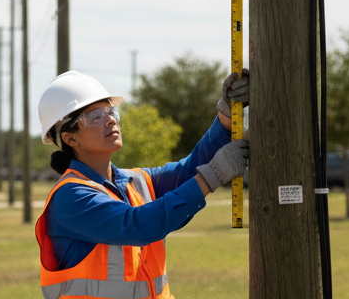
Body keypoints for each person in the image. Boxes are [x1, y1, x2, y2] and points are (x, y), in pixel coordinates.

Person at [35, 69, 249, 299]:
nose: (109, 120)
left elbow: (190, 170)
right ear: (70, 138)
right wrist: (212, 175)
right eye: (95, 116)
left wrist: (227, 116)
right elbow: (135, 225)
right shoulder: (71, 197)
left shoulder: (136, 181)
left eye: (110, 111)